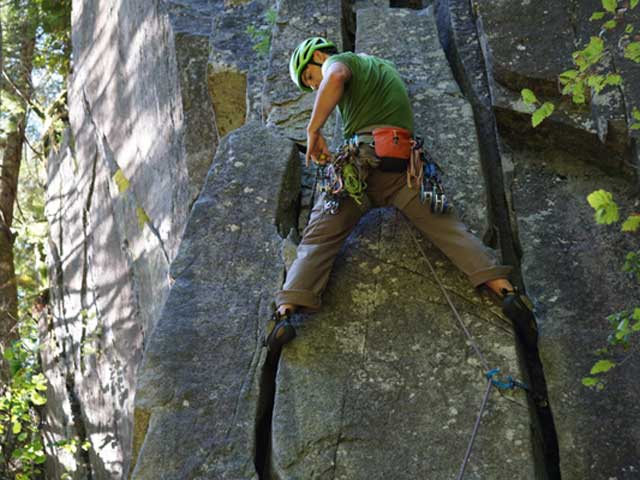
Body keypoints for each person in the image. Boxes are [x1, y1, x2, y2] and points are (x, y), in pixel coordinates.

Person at [265, 37, 536, 357]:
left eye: (311, 78)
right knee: (449, 230)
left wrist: (314, 130)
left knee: (320, 235)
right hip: (405, 167)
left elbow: (335, 76)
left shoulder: (345, 62)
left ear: (320, 56)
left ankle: (284, 314)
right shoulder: (384, 72)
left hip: (361, 164)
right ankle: (506, 293)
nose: (314, 88)